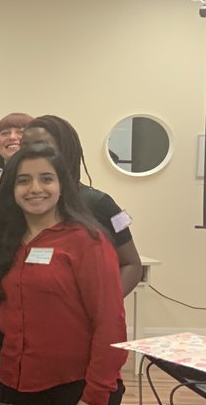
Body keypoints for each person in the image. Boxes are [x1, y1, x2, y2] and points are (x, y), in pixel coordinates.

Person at [0, 143, 128, 405]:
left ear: (62, 185)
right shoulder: (5, 240)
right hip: (13, 386)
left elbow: (110, 322)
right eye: (23, 180)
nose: (35, 188)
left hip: (74, 389)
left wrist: (97, 395)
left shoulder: (87, 241)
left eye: (46, 179)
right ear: (11, 188)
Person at [23, 114, 143, 295]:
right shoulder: (19, 202)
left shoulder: (101, 204)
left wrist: (106, 305)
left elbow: (131, 264)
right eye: (25, 147)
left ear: (65, 150)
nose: (32, 153)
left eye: (41, 146)